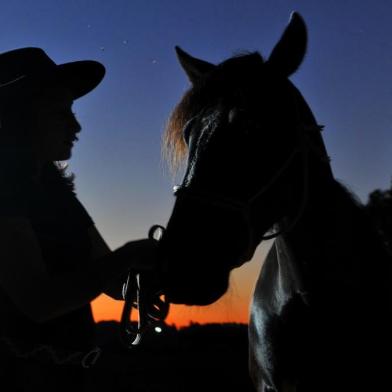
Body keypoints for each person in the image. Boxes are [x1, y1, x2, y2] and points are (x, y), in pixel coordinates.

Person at [0, 47, 159, 390]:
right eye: (60, 113)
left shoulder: (56, 193)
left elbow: (108, 277)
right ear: (18, 118)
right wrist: (130, 256)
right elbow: (38, 302)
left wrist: (157, 271)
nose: (76, 125)